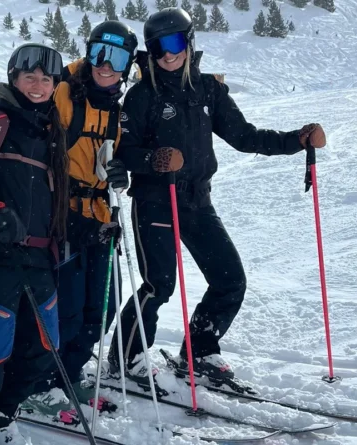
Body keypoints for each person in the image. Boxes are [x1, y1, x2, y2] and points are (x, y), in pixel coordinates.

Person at [108, 8, 327, 386]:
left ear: (189, 42)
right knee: (158, 285)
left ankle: (200, 350)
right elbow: (122, 151)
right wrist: (154, 160)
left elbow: (246, 136)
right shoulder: (140, 96)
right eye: (158, 47)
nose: (168, 54)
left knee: (230, 279)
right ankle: (125, 358)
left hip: (197, 200)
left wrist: (298, 140)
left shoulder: (209, 89)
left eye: (175, 43)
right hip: (155, 201)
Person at [0, 44, 69, 445]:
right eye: (30, 78)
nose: (38, 86)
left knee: (44, 346)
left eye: (46, 80)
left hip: (41, 255)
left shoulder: (53, 129)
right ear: (13, 78)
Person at [29, 21, 137, 413]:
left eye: (117, 58)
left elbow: (110, 157)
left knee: (103, 308)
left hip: (100, 218)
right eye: (99, 54)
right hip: (64, 218)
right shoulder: (63, 92)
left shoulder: (114, 108)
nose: (106, 65)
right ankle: (42, 382)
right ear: (88, 53)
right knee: (68, 312)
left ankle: (69, 375)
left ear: (128, 65)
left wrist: (122, 167)